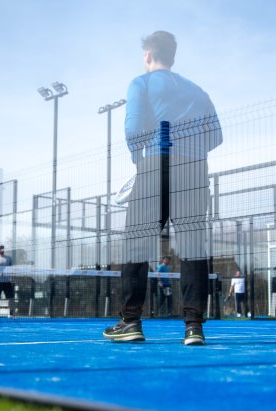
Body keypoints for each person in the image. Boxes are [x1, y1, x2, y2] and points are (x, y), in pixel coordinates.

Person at [103, 31, 222, 345]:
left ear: (147, 55)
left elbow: (132, 130)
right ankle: (194, 327)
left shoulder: (140, 83)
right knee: (194, 249)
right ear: (173, 55)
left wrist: (138, 157)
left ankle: (130, 322)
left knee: (137, 245)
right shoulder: (197, 90)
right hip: (195, 170)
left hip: (157, 163)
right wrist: (191, 152)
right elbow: (217, 136)